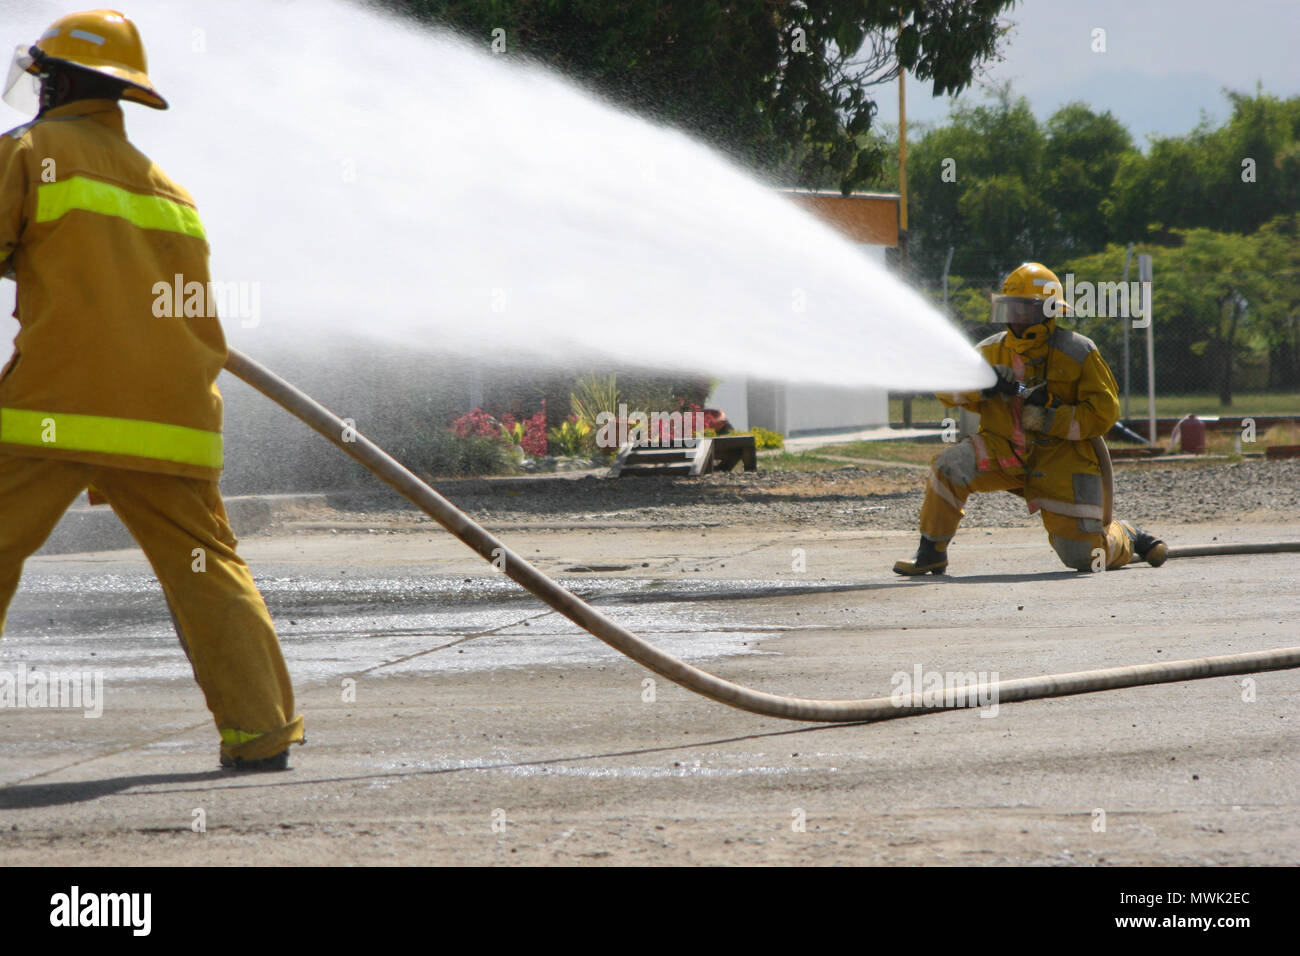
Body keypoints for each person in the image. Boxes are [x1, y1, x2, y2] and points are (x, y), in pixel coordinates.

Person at [0, 10, 303, 770]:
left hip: (58, 406)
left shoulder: (29, 152)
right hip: (172, 415)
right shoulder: (170, 190)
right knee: (207, 568)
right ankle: (261, 731)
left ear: (59, 81)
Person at [893, 261, 1167, 576]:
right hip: (1004, 450)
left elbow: (1103, 414)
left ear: (1049, 310)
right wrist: (981, 385)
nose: (1017, 318)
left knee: (1087, 558)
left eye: (1025, 309)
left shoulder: (1079, 353)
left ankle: (1125, 534)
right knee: (948, 466)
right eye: (1011, 308)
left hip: (1062, 462)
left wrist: (1050, 420)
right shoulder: (990, 352)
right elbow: (945, 392)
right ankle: (930, 552)